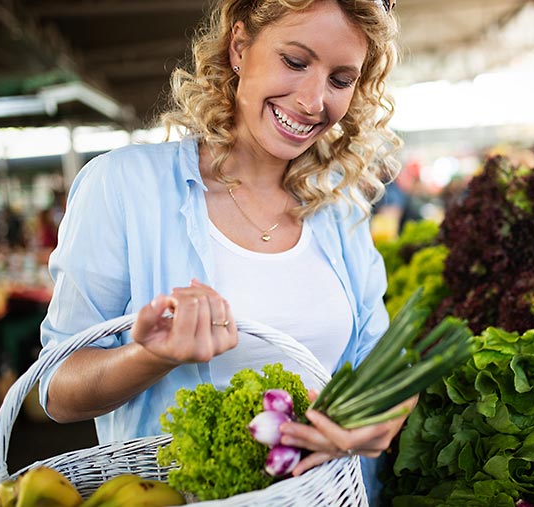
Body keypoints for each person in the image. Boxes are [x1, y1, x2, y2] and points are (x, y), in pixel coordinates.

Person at [38, 0, 407, 502]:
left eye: (340, 80)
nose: (313, 100)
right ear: (239, 47)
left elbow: (381, 366)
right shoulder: (123, 185)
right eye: (295, 62)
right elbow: (58, 391)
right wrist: (149, 356)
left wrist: (379, 419)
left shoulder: (338, 203)